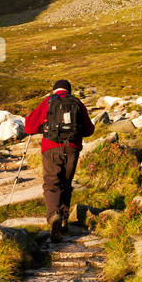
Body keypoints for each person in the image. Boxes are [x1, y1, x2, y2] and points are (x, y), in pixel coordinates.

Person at [23, 79, 95, 241]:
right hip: (72, 149)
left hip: (51, 148)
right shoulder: (77, 102)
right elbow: (89, 130)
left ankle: (54, 216)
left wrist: (42, 127)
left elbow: (28, 127)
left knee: (52, 183)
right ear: (68, 90)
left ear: (54, 90)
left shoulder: (48, 102)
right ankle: (63, 222)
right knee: (66, 184)